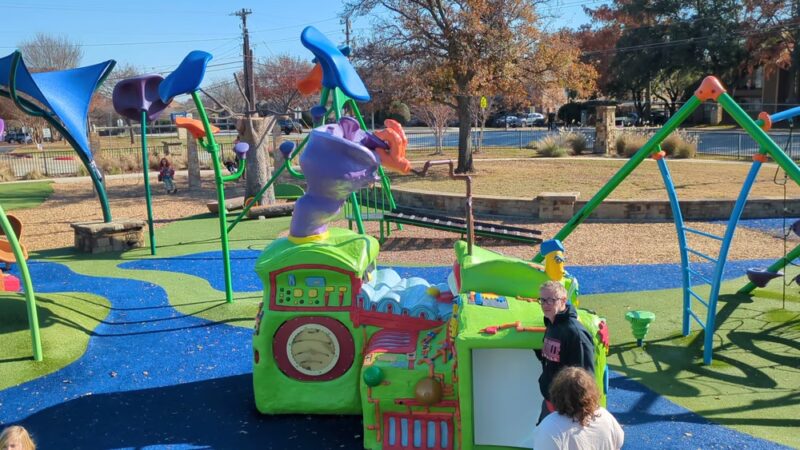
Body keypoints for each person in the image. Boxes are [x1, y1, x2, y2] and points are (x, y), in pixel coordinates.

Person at [536, 280, 595, 424]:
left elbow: (585, 377)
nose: (545, 304)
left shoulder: (576, 334)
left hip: (567, 412)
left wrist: (578, 414)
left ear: (563, 300)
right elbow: (553, 358)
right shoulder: (552, 322)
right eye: (542, 300)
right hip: (551, 402)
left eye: (551, 300)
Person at [533, 367, 624, 450]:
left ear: (556, 394)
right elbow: (618, 443)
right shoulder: (606, 418)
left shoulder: (550, 426)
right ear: (591, 392)